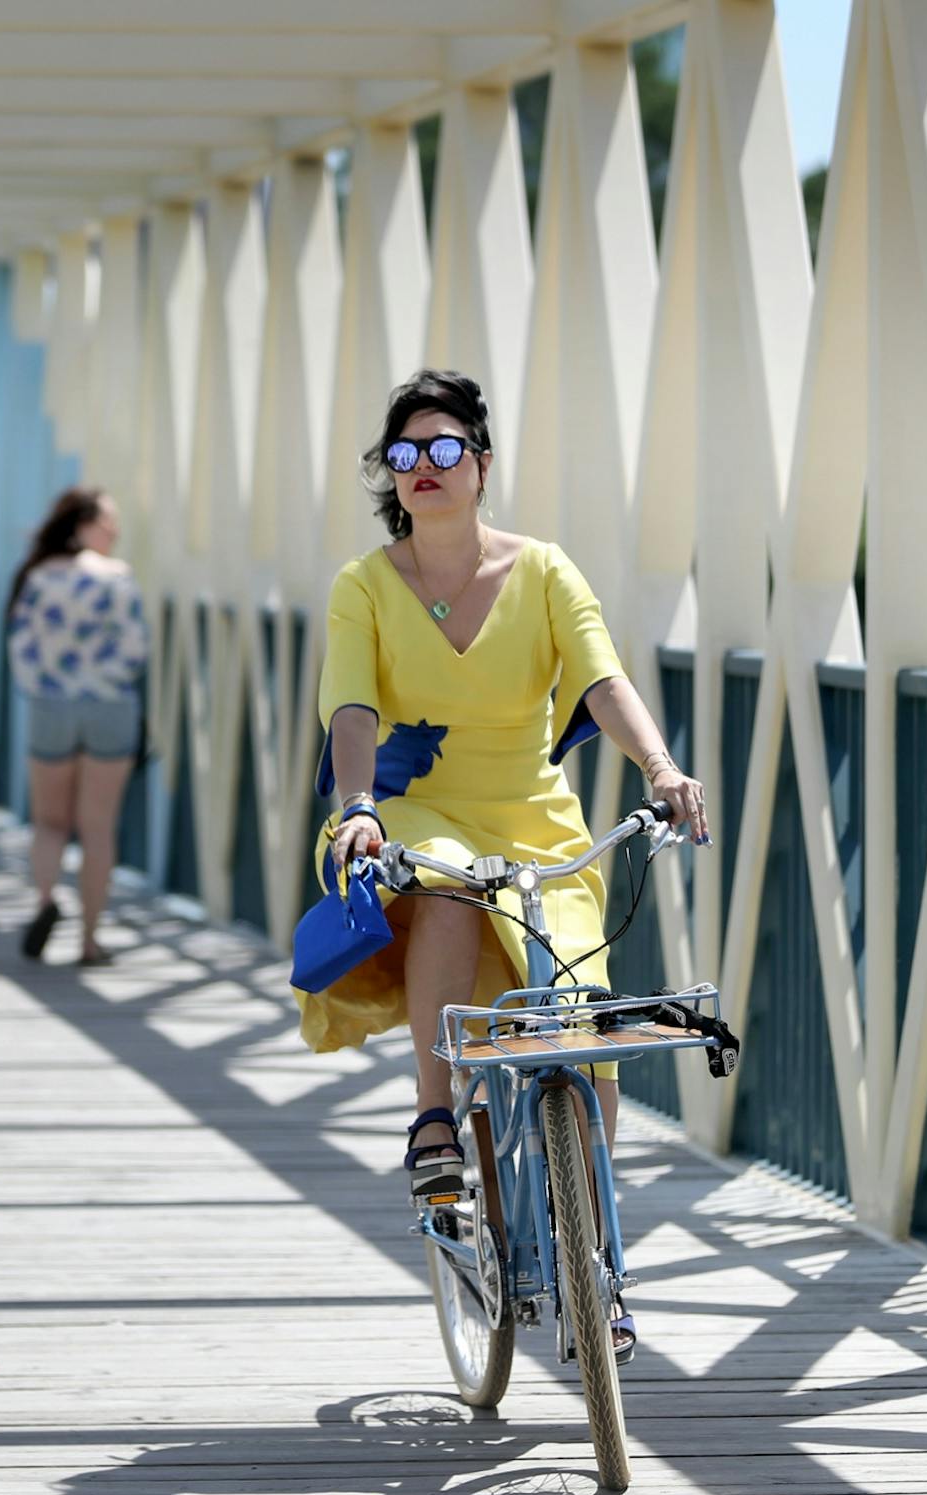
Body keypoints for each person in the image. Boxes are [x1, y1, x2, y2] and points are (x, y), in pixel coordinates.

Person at [303, 370, 708, 1361]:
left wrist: (660, 767)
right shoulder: (365, 586)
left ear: (481, 465)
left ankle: (597, 1257)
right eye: (405, 456)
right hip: (412, 806)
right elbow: (350, 707)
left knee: (583, 1026)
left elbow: (601, 677)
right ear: (391, 479)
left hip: (534, 819)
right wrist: (357, 805)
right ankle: (436, 1126)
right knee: (442, 888)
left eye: (446, 450)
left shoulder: (545, 570)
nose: (426, 469)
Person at [6, 487, 147, 966]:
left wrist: (49, 686)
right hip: (109, 708)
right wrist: (101, 682)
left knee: (49, 822)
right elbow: (135, 650)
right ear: (82, 523)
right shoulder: (118, 577)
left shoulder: (39, 577)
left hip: (51, 706)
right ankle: (89, 940)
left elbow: (20, 647)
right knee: (98, 827)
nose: (116, 530)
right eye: (108, 520)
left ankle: (46, 901)